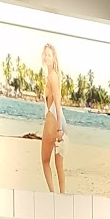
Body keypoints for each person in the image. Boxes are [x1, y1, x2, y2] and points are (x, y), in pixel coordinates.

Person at [41, 41, 66, 194]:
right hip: (58, 121)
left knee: (45, 161)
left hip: (53, 121)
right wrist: (60, 127)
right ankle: (62, 196)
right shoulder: (54, 76)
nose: (46, 57)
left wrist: (58, 129)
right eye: (45, 54)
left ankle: (53, 195)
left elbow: (57, 103)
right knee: (58, 166)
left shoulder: (52, 77)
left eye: (49, 55)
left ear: (54, 58)